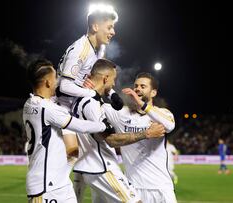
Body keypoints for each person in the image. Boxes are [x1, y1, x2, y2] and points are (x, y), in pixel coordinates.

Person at [72, 59, 165, 203]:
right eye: (113, 79)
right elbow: (111, 140)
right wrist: (146, 134)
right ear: (105, 78)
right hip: (102, 167)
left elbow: (114, 103)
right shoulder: (92, 104)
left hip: (90, 168)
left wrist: (110, 94)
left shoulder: (83, 100)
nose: (114, 84)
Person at [23, 59, 111, 203]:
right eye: (55, 78)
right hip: (45, 186)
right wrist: (103, 126)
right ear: (48, 82)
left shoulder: (30, 103)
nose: (58, 82)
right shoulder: (48, 109)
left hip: (60, 182)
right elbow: (80, 126)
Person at [57, 3, 122, 159]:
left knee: (88, 152)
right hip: (61, 106)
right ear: (95, 27)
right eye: (109, 27)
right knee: (72, 153)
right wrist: (92, 93)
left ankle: (77, 183)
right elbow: (64, 86)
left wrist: (112, 94)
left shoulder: (99, 49)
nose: (113, 32)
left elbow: (100, 75)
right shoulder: (81, 49)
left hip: (78, 103)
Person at [103, 72, 178, 203]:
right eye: (136, 86)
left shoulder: (162, 114)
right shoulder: (122, 114)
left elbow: (170, 125)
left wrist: (141, 103)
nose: (137, 89)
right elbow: (96, 104)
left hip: (161, 188)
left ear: (153, 93)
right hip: (133, 189)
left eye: (143, 86)